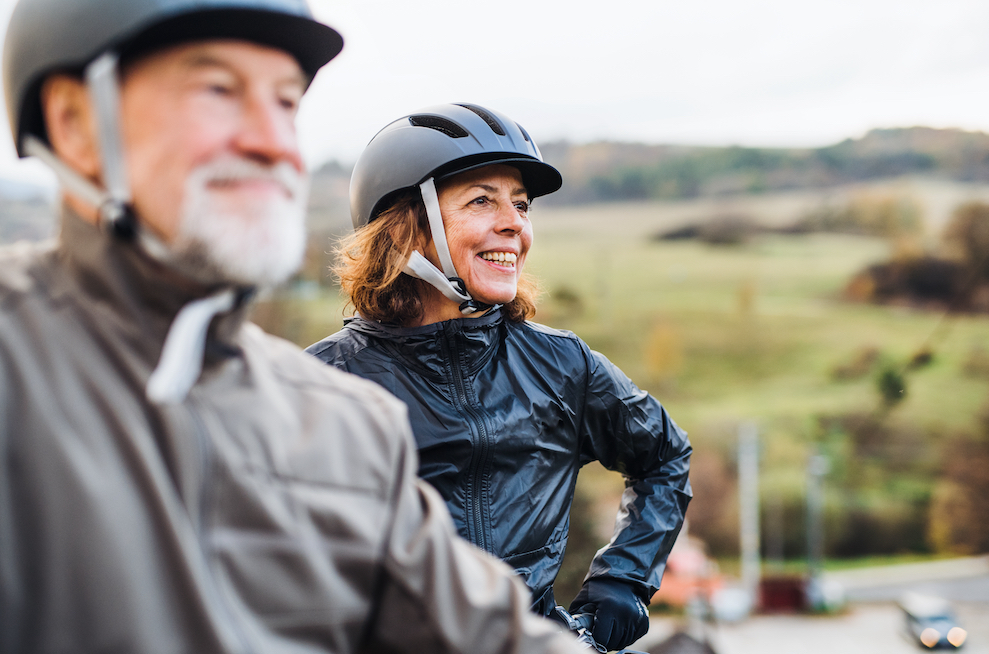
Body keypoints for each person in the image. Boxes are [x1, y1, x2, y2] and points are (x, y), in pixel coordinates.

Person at [0, 3, 584, 653]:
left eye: (285, 104)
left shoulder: (346, 426)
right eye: (218, 90)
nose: (273, 142)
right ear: (76, 122)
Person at [307, 104, 694, 652]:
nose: (515, 223)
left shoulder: (564, 366)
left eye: (520, 204)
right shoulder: (317, 386)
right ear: (405, 229)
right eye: (482, 200)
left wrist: (624, 579)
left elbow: (665, 456)